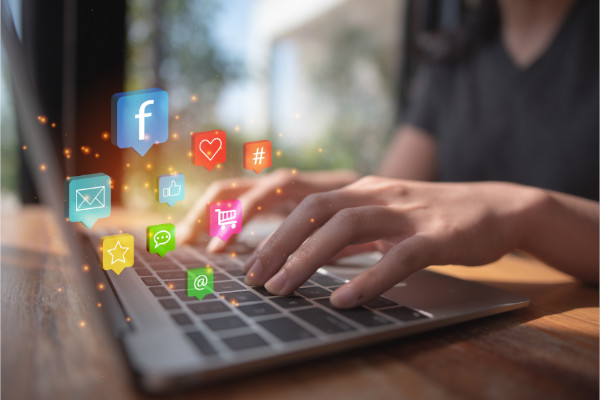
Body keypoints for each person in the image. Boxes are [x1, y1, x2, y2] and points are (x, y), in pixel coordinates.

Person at [178, 0, 599, 308]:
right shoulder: (451, 62)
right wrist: (322, 193)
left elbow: (487, 207)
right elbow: (399, 188)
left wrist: (523, 213)